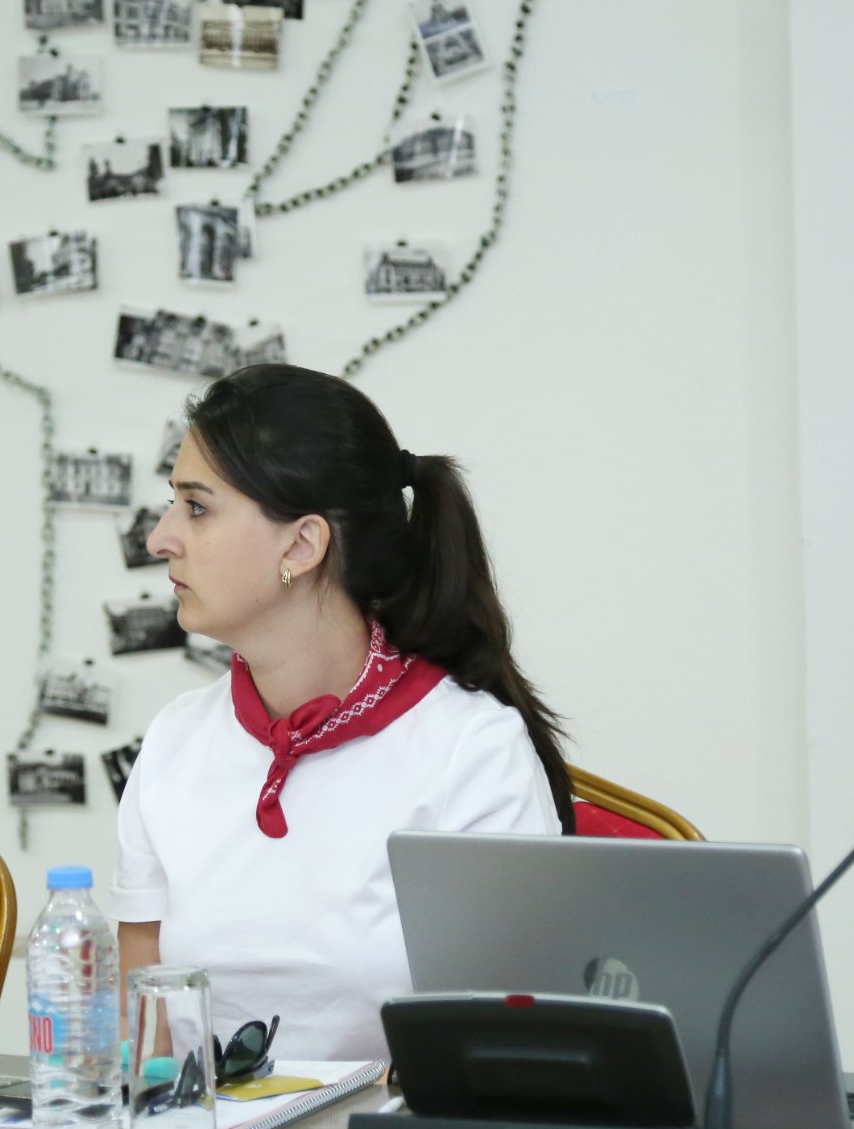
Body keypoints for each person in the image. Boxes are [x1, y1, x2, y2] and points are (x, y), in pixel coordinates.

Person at [113, 364, 567, 1062]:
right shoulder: (176, 737)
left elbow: (510, 1052)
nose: (159, 538)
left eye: (196, 508)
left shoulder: (471, 749)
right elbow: (145, 1044)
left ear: (301, 545)